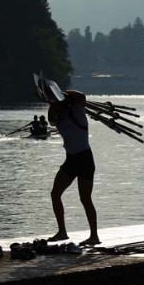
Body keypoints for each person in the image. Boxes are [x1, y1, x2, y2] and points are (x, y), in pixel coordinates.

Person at [47, 90, 100, 246]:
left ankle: (94, 236)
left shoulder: (77, 112)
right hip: (71, 160)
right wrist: (54, 101)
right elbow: (50, 118)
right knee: (55, 194)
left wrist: (63, 92)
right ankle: (62, 232)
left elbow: (82, 96)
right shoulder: (59, 119)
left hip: (84, 159)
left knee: (85, 199)